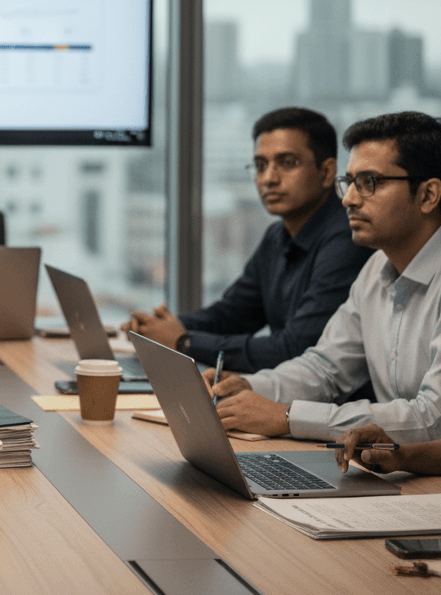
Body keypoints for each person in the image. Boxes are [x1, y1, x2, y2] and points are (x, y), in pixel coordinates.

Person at [210, 111, 441, 442]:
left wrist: (288, 417)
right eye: (349, 183)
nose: (348, 199)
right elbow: (326, 368)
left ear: (428, 195)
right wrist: (249, 386)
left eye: (369, 183)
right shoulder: (377, 269)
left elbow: (432, 418)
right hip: (398, 472)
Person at [124, 107, 372, 372]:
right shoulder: (277, 236)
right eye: (260, 165)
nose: (269, 178)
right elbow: (232, 314)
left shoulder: (348, 240)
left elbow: (296, 349)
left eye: (287, 163)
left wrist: (184, 341)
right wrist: (159, 328)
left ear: (326, 172)